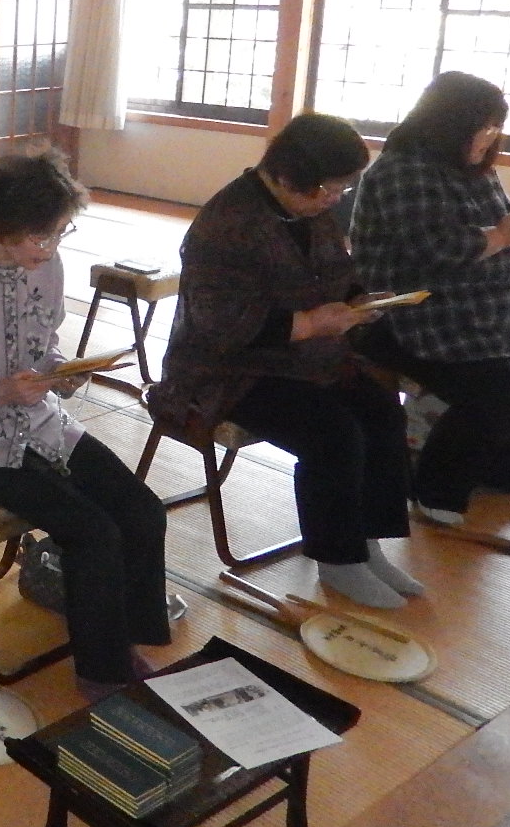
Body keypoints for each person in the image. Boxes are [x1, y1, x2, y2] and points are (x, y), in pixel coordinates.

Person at [0, 150, 172, 699]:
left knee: (142, 510)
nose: (51, 248)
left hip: (42, 423)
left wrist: (63, 373)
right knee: (93, 531)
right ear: (2, 227)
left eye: (59, 233)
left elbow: (45, 347)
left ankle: (125, 634)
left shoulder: (48, 267)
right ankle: (101, 670)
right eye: (41, 236)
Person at [149, 113, 419, 609]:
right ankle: (338, 560)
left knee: (381, 410)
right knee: (333, 432)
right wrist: (313, 323)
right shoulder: (227, 222)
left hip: (307, 358)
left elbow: (336, 272)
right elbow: (218, 324)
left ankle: (367, 544)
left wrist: (360, 300)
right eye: (329, 188)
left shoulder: (308, 207)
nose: (335, 198)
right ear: (288, 175)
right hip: (228, 370)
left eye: (342, 188)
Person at [349, 71, 510, 525]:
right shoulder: (400, 171)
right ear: (451, 124)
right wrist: (504, 234)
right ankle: (435, 490)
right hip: (420, 311)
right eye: (484, 127)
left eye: (495, 128)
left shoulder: (474, 168)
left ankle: (497, 472)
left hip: (486, 308)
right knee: (499, 396)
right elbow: (435, 251)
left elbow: (500, 221)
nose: (490, 137)